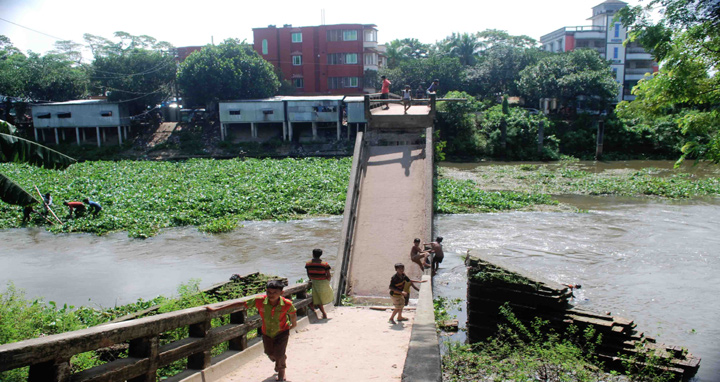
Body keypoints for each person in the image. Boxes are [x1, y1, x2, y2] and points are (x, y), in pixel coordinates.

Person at [208, 280, 297, 381]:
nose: (271, 295)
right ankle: (280, 358)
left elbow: (293, 314)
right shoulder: (259, 301)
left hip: (282, 331)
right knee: (270, 353)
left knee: (279, 354)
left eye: (274, 293)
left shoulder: (286, 304)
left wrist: (293, 324)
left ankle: (281, 374)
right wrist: (216, 309)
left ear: (281, 293)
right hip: (267, 332)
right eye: (269, 292)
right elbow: (240, 304)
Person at [305, 248, 333, 319]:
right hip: (323, 282)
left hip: (313, 282)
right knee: (320, 298)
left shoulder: (308, 263)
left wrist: (311, 279)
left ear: (313, 254)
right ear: (321, 255)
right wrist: (327, 281)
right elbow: (328, 275)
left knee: (317, 298)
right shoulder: (325, 264)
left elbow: (308, 274)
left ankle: (318, 310)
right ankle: (323, 313)